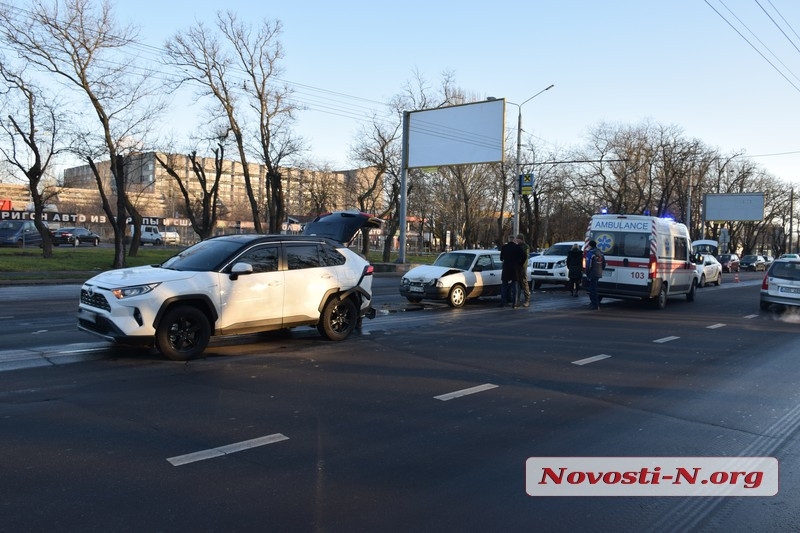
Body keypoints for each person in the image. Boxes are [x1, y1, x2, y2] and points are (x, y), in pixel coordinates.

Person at [499, 235, 524, 308]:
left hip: (506, 268)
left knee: (504, 285)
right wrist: (520, 264)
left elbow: (501, 258)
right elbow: (524, 256)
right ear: (514, 240)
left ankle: (502, 302)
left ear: (508, 240)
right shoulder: (517, 247)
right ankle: (515, 303)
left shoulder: (504, 247)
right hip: (515, 268)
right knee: (515, 285)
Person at [585, 240, 604, 309]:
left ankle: (594, 304)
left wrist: (587, 273)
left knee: (592, 289)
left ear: (590, 245)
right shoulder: (600, 253)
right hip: (598, 273)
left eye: (589, 245)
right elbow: (603, 263)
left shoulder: (590, 253)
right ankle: (595, 303)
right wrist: (601, 270)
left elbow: (588, 265)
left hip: (592, 273)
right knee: (595, 288)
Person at [515, 234, 531, 307]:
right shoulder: (517, 246)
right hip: (517, 267)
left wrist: (520, 263)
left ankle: (527, 300)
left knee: (524, 283)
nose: (516, 240)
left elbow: (525, 256)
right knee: (517, 284)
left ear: (520, 239)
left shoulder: (525, 246)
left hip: (523, 267)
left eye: (517, 239)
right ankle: (517, 300)